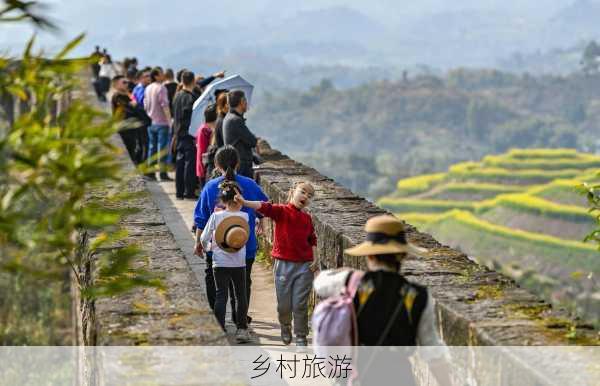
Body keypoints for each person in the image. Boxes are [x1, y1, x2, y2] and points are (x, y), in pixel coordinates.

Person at [313, 215, 452, 386]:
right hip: (399, 377)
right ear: (402, 256)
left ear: (369, 255)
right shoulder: (417, 295)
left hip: (359, 374)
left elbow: (319, 283)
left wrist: (349, 272)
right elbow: (432, 352)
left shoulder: (351, 282)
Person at [235, 182, 318, 346]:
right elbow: (263, 207)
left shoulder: (307, 218)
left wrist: (315, 259)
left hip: (304, 265)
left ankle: (301, 335)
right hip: (283, 265)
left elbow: (312, 239)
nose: (305, 197)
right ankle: (285, 325)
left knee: (300, 304)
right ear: (293, 192)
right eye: (303, 192)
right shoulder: (282, 211)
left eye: (310, 196)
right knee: (284, 305)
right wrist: (244, 203)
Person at [194, 146, 268, 322]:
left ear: (216, 165)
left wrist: (198, 243)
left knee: (215, 285)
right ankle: (239, 318)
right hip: (245, 246)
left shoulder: (210, 187)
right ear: (238, 163)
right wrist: (261, 221)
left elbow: (201, 220)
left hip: (217, 248)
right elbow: (265, 207)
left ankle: (216, 319)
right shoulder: (249, 184)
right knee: (242, 285)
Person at [199, 179, 251, 343]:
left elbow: (203, 237)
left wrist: (208, 248)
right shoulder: (245, 217)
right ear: (239, 200)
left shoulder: (216, 216)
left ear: (223, 201)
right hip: (239, 263)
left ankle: (220, 328)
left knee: (221, 295)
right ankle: (241, 329)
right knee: (240, 295)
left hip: (219, 263)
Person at [172, 70, 199, 199]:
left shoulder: (176, 96)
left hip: (178, 134)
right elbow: (188, 117)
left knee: (180, 164)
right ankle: (188, 192)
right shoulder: (190, 98)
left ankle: (179, 191)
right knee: (189, 164)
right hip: (188, 134)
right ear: (193, 81)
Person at [110, 75, 150, 165]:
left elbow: (133, 107)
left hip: (130, 127)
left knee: (133, 148)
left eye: (127, 82)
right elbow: (129, 108)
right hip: (124, 128)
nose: (127, 84)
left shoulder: (125, 95)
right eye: (124, 82)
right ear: (116, 85)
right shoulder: (118, 96)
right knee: (128, 150)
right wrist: (134, 105)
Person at [144, 66, 173, 181]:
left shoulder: (148, 88)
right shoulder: (161, 88)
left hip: (152, 122)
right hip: (162, 123)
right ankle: (162, 173)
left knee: (152, 148)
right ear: (156, 75)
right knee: (162, 150)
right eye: (161, 74)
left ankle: (150, 173)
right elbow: (165, 105)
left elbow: (145, 104)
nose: (163, 75)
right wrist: (169, 120)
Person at [223, 90, 258, 179]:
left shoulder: (229, 117)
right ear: (242, 102)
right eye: (245, 101)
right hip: (241, 165)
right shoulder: (235, 120)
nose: (247, 103)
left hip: (236, 163)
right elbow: (252, 141)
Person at [196, 103, 218, 188]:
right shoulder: (205, 130)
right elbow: (202, 151)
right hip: (204, 168)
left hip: (203, 167)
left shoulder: (204, 128)